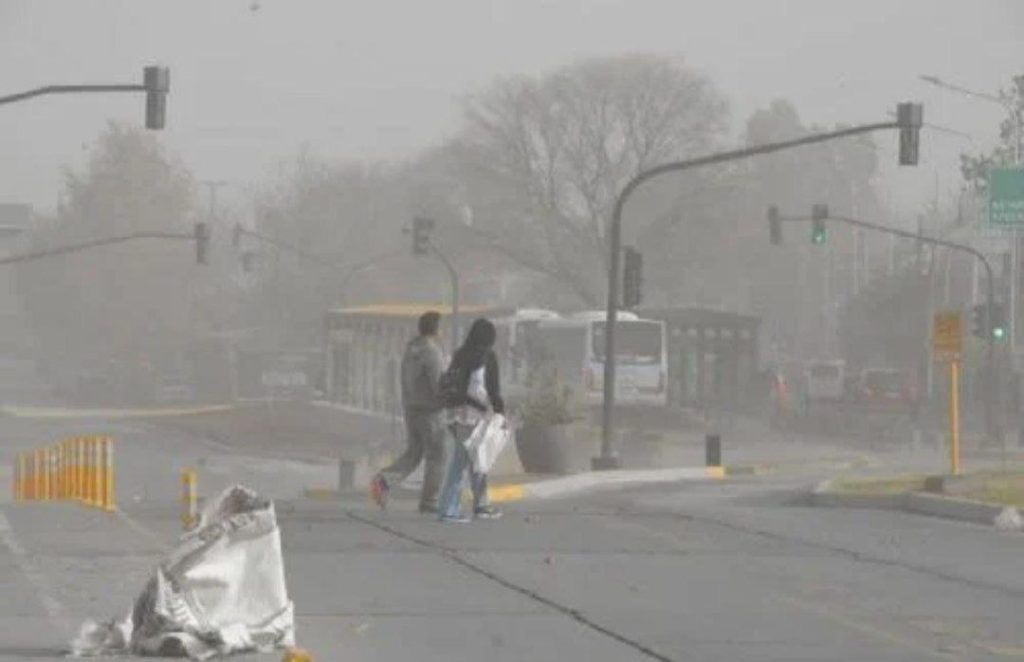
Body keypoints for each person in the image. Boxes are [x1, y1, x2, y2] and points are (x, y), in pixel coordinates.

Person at [370, 311, 446, 513]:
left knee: (414, 452)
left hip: (411, 408)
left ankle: (384, 480)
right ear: (436, 329)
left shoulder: (411, 350)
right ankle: (430, 500)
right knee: (437, 455)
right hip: (430, 411)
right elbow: (438, 384)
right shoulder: (432, 352)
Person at [436, 318, 504, 523]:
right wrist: (499, 413)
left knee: (476, 462)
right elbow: (493, 391)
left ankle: (481, 505)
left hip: (459, 416)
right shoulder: (488, 357)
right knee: (465, 463)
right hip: (476, 418)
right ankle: (449, 509)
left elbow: (453, 386)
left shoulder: (460, 354)